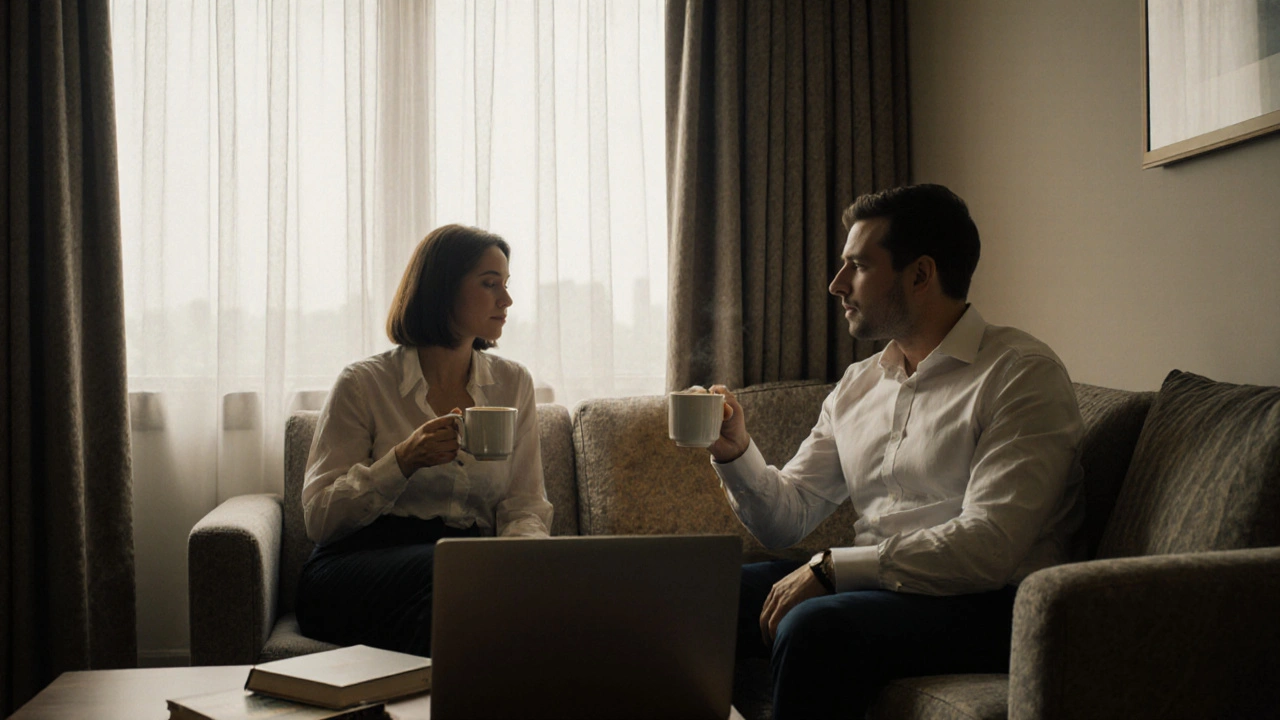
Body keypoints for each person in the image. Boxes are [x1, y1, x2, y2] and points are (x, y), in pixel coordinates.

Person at [703, 184, 1083, 718]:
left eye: (857, 266)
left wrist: (834, 568)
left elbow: (989, 547)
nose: (836, 285)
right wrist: (735, 451)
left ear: (921, 274)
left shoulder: (1021, 374)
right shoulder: (859, 384)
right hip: (879, 590)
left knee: (814, 628)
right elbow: (786, 519)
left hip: (990, 603)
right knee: (705, 595)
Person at [295, 224, 553, 657]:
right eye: (490, 285)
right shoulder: (364, 383)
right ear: (442, 288)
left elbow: (523, 504)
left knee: (464, 601)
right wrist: (401, 461)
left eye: (506, 286)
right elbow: (320, 518)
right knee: (454, 578)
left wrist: (523, 565)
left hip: (461, 570)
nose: (506, 301)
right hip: (357, 566)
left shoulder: (513, 383)